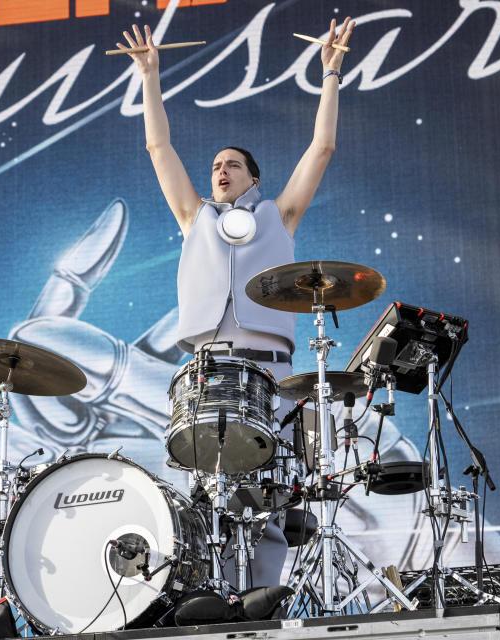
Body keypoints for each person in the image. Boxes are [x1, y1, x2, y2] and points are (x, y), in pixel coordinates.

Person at [119, 17, 355, 589]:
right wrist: (149, 76)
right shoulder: (194, 218)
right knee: (206, 507)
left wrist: (330, 72)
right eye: (214, 167)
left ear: (252, 179)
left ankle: (263, 606)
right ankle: (213, 603)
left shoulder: (279, 216)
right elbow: (158, 147)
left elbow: (321, 148)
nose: (219, 171)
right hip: (206, 375)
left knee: (271, 502)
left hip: (271, 378)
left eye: (231, 165)